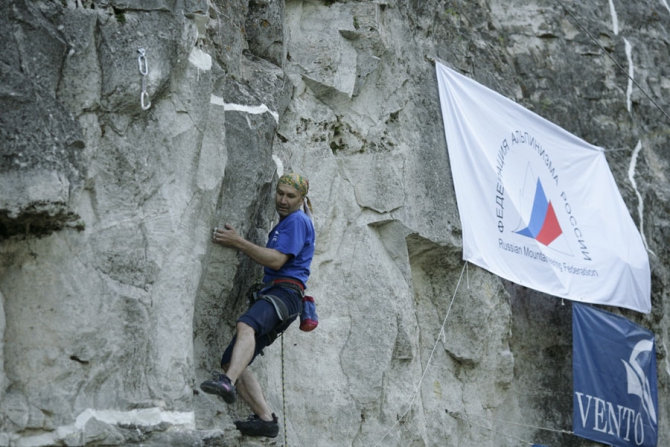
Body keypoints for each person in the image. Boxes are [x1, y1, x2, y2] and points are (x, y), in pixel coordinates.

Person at [200, 173, 315, 438]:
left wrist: (238, 241)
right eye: (280, 193)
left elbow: (276, 261)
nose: (283, 200)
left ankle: (226, 382)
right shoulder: (291, 221)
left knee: (246, 324)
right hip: (282, 295)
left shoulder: (297, 221)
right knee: (232, 360)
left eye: (290, 196)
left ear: (301, 199)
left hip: (285, 293)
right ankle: (266, 420)